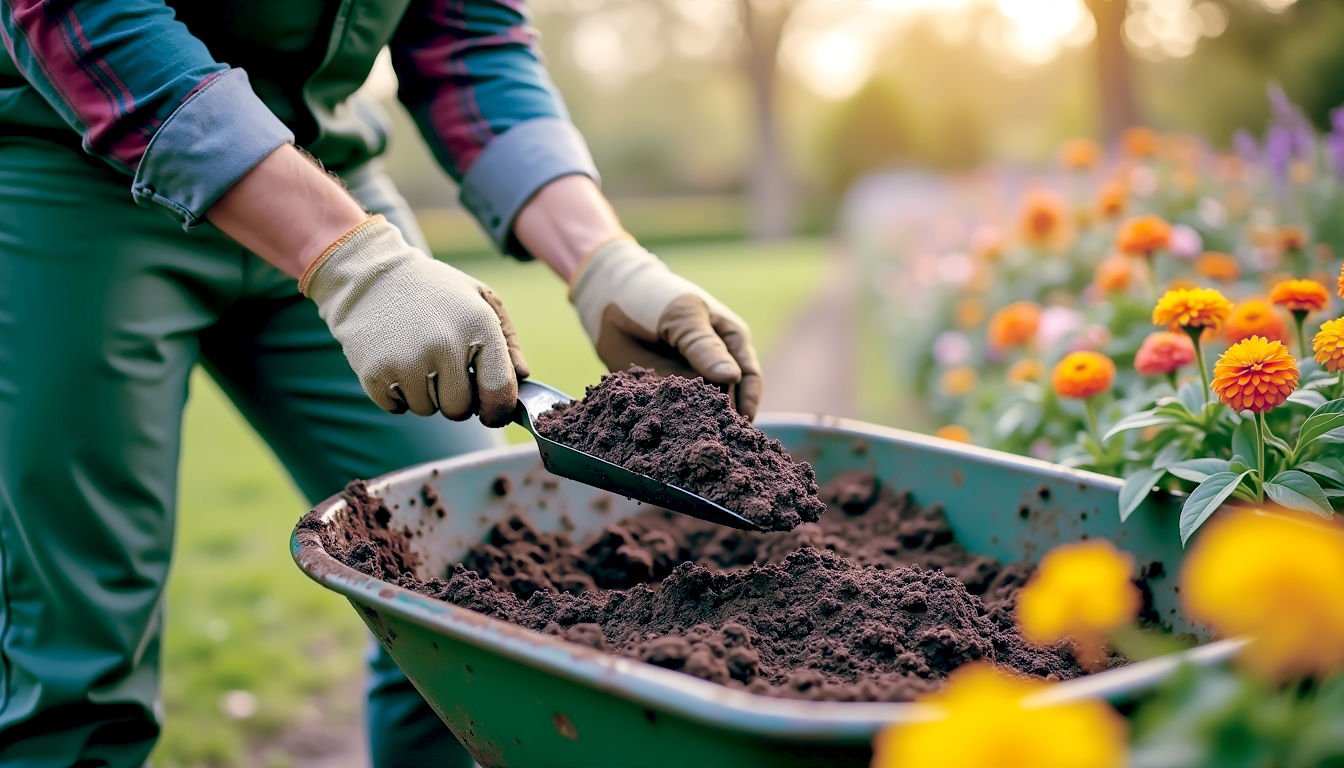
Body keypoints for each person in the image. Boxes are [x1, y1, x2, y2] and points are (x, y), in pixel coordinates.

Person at [0, 1, 763, 764]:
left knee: (460, 601)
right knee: (82, 656)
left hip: (330, 174)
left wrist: (603, 259)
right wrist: (351, 262)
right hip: (72, 168)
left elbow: (468, 37)